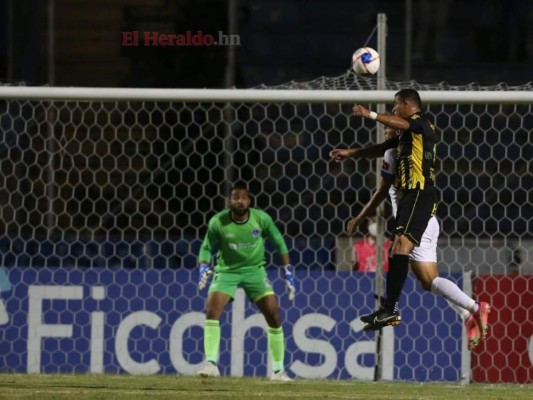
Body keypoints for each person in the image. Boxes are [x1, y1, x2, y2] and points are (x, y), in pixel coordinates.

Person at [329, 89, 490, 346]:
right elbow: (380, 150)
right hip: (416, 207)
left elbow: (401, 125)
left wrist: (369, 113)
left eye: (394, 107)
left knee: (398, 247)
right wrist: (350, 153)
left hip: (418, 199)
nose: (392, 114)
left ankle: (390, 308)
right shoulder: (401, 144)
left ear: (407, 105)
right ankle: (471, 310)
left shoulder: (421, 125)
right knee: (428, 280)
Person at [196, 182, 295, 381]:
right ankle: (211, 364)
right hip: (227, 272)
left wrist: (288, 271)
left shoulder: (261, 219)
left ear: (249, 201)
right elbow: (206, 247)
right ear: (229, 201)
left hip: (255, 272)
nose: (239, 201)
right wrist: (204, 267)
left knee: (273, 312)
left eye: (243, 197)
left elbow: (279, 241)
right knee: (212, 309)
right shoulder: (218, 221)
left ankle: (278, 371)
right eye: (235, 197)